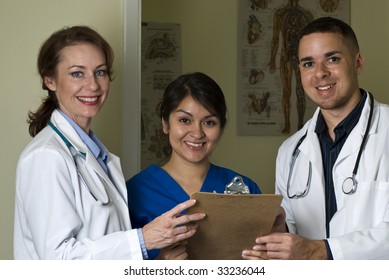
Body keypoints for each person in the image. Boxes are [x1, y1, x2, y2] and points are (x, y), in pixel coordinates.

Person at [14, 26, 205, 260]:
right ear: (50, 79)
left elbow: (110, 248)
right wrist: (143, 240)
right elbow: (57, 261)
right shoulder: (46, 156)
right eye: (77, 73)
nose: (93, 85)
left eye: (100, 72)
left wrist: (156, 263)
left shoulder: (97, 155)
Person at [242, 17, 389, 260]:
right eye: (308, 63)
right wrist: (281, 229)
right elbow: (292, 224)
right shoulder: (290, 151)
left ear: (358, 62)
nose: (320, 73)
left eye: (332, 59)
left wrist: (322, 251)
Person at [127, 72, 261, 260]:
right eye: (184, 120)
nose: (197, 133)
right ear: (165, 123)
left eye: (209, 122)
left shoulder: (246, 188)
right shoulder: (134, 193)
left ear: (220, 128)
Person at [268, 0, 313, 134]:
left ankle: (300, 124)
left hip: (302, 58)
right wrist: (272, 59)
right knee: (286, 92)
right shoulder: (280, 14)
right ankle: (287, 123)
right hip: (286, 56)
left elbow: (312, 41)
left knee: (300, 92)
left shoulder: (307, 15)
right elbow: (275, 38)